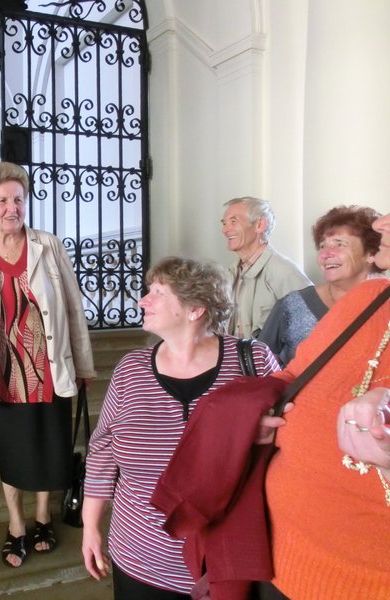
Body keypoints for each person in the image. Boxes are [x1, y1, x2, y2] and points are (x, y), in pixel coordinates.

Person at [81, 257, 281, 599]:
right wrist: (90, 527)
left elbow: (292, 439)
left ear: (194, 310)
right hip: (138, 557)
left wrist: (263, 435)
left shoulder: (252, 361)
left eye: (158, 292)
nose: (142, 301)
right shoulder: (131, 370)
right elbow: (102, 451)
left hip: (225, 563)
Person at [0, 161, 96, 568]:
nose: (11, 208)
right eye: (1, 201)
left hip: (49, 368)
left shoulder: (49, 246)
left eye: (18, 199)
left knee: (49, 449)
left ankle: (43, 517)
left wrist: (84, 366)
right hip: (2, 375)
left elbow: (73, 309)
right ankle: (16, 524)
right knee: (12, 453)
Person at [260, 210, 390, 599]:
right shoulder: (370, 297)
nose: (381, 224)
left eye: (340, 244)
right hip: (280, 556)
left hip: (363, 580)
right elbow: (292, 374)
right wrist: (255, 411)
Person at [259, 205, 381, 365]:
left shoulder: (385, 305)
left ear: (371, 253)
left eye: (339, 244)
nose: (325, 254)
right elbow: (258, 367)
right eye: (322, 246)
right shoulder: (291, 305)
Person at [221, 197, 311, 338]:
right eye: (224, 223)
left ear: (260, 224)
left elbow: (310, 328)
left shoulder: (285, 272)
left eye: (234, 221)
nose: (225, 230)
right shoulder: (229, 274)